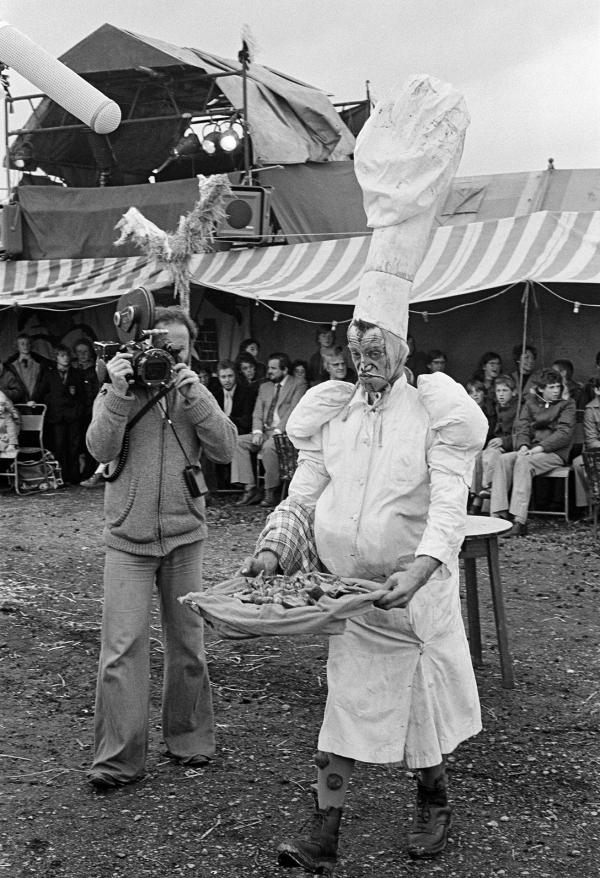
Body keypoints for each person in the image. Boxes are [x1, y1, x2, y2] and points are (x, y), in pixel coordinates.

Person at [241, 75, 485, 868]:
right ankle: (324, 833)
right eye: (356, 338)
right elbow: (305, 488)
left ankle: (433, 799)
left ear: (404, 346)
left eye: (379, 338)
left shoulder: (437, 411)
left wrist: (421, 567)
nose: (366, 350)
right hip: (352, 598)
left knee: (418, 717)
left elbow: (449, 502)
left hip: (411, 598)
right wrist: (279, 545)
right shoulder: (332, 412)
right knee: (345, 713)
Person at [86, 305, 237, 791]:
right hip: (128, 539)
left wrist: (194, 395)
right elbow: (100, 450)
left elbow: (226, 449)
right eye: (160, 347)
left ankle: (190, 740)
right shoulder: (118, 390)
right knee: (121, 647)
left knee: (188, 642)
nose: (166, 357)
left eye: (178, 349)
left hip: (184, 536)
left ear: (189, 351)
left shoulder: (194, 393)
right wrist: (116, 392)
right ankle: (117, 759)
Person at [490, 368, 576, 537]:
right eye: (551, 387)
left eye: (558, 386)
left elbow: (564, 434)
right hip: (531, 450)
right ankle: (498, 514)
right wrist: (523, 446)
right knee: (504, 459)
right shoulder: (530, 403)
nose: (556, 390)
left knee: (524, 462)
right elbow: (522, 426)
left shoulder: (567, 404)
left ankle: (519, 521)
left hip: (554, 452)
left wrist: (537, 449)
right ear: (541, 389)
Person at [232, 353, 306, 508]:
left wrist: (278, 431)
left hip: (284, 433)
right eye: (269, 368)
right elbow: (257, 412)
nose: (269, 371)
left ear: (285, 370)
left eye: (273, 368)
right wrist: (257, 432)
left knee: (268, 447)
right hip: (265, 431)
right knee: (239, 442)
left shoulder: (298, 384)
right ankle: (250, 488)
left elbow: (294, 411)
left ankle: (270, 491)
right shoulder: (265, 387)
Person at [468, 374, 518, 513]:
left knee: (490, 455)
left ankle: (488, 488)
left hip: (512, 446)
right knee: (479, 456)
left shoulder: (518, 408)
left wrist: (503, 441)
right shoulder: (497, 407)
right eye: (498, 391)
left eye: (505, 391)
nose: (501, 395)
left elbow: (521, 433)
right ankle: (477, 501)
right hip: (497, 445)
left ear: (513, 392)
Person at [42, 344, 85, 485]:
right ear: (56, 358)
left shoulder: (76, 374)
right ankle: (60, 477)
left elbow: (82, 396)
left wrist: (78, 411)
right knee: (59, 447)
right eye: (61, 355)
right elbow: (41, 391)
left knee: (74, 446)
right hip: (57, 416)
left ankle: (74, 477)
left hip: (73, 416)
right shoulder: (50, 374)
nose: (65, 358)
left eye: (67, 355)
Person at [72, 338, 100, 484]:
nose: (82, 355)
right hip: (76, 413)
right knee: (77, 443)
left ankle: (90, 472)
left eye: (85, 352)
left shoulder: (95, 369)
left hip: (91, 412)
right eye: (79, 352)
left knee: (91, 444)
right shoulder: (73, 369)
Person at [572, 376, 600, 511]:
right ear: (597, 390)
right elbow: (591, 440)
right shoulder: (591, 410)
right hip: (598, 451)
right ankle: (589, 507)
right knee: (579, 463)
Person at [5, 333, 47, 403]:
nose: (26, 346)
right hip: (19, 403)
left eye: (28, 343)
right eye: (22, 344)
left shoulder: (40, 365)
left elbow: (43, 385)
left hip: (37, 403)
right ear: (17, 346)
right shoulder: (10, 366)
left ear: (31, 345)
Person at [0, 390, 19, 454]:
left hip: (4, 440)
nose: (0, 408)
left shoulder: (7, 417)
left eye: (2, 405)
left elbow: (12, 432)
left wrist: (12, 444)